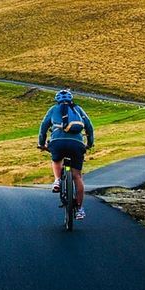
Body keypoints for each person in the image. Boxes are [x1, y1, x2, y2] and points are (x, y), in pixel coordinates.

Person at [38, 89, 94, 220]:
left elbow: (43, 127)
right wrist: (89, 144)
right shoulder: (78, 110)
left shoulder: (53, 109)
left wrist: (41, 144)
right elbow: (89, 127)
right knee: (77, 176)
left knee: (56, 159)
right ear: (71, 99)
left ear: (57, 100)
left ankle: (57, 180)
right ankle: (79, 209)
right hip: (77, 144)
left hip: (57, 142)